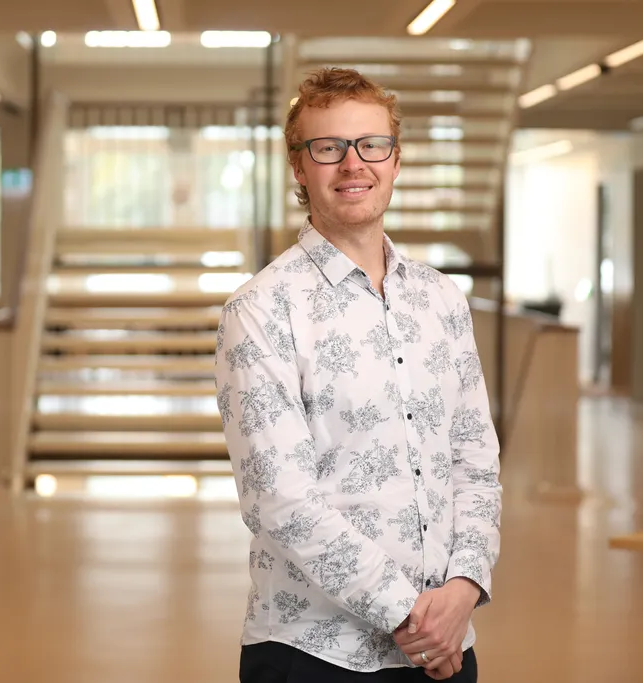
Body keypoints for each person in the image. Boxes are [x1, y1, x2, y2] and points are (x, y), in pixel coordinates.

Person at [213, 66, 502, 683]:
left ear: (395, 159)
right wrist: (413, 618)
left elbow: (474, 460)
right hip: (315, 654)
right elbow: (280, 499)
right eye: (328, 148)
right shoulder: (261, 310)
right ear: (299, 166)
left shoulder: (441, 299)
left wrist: (465, 586)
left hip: (448, 642)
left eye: (371, 144)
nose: (353, 164)